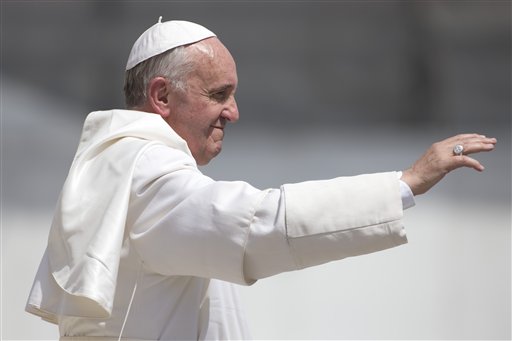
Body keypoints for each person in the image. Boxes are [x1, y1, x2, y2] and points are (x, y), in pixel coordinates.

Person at [26, 18, 497, 340]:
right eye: (219, 94)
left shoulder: (121, 165)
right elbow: (257, 225)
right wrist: (405, 183)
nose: (233, 111)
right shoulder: (144, 174)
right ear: (162, 95)